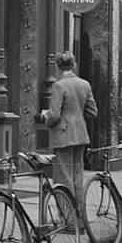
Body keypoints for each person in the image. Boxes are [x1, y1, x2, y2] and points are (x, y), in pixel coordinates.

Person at [42, 51, 98, 217]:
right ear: (73, 65)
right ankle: (80, 219)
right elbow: (92, 112)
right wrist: (77, 115)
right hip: (80, 135)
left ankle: (68, 220)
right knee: (77, 178)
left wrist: (45, 118)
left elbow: (54, 115)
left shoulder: (59, 86)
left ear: (58, 67)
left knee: (63, 179)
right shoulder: (84, 84)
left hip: (63, 136)